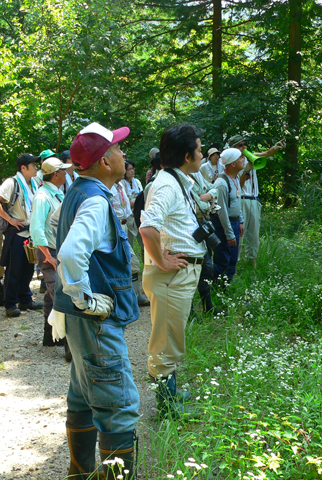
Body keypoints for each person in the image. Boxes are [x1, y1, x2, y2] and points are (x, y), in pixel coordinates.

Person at [54, 122, 140, 480]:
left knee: (82, 394)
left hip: (79, 321)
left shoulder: (76, 191)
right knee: (118, 404)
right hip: (96, 322)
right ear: (105, 161)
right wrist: (86, 299)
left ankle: (79, 473)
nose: (123, 154)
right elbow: (71, 255)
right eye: (118, 149)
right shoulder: (95, 200)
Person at [140, 122, 205, 416]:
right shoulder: (166, 185)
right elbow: (148, 227)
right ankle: (168, 407)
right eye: (200, 150)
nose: (202, 155)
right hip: (171, 275)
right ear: (187, 156)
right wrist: (162, 260)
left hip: (179, 274)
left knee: (172, 338)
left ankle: (173, 392)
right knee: (165, 344)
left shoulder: (176, 180)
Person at [0, 154, 43, 318]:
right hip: (17, 233)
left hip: (30, 232)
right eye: (33, 165)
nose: (36, 168)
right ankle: (10, 303)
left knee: (28, 268)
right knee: (14, 270)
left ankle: (25, 299)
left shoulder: (32, 182)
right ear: (23, 168)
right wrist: (10, 219)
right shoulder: (11, 182)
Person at [30, 156, 70, 350]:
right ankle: (71, 347)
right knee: (61, 295)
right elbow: (36, 229)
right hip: (50, 252)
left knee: (50, 294)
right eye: (63, 171)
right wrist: (47, 256)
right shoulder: (42, 197)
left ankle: (51, 337)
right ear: (56, 175)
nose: (66, 173)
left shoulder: (55, 193)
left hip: (56, 250)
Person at [230, 135, 285, 269]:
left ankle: (251, 261)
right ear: (233, 148)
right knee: (240, 233)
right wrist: (246, 171)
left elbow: (266, 154)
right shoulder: (231, 163)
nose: (244, 147)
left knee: (253, 233)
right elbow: (239, 186)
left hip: (254, 200)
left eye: (245, 144)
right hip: (241, 199)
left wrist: (276, 147)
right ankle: (234, 264)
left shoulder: (251, 156)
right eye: (240, 145)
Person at [112, 175, 150, 307]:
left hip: (124, 225)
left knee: (130, 262)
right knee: (129, 262)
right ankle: (128, 298)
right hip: (114, 227)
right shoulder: (107, 187)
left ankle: (134, 297)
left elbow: (126, 208)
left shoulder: (120, 186)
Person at [189, 170, 220, 315]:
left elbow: (215, 188)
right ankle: (190, 313)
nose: (201, 155)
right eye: (198, 151)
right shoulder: (183, 179)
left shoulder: (198, 175)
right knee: (190, 269)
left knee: (207, 267)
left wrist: (209, 196)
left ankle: (208, 307)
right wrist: (210, 204)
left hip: (203, 225)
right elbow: (195, 205)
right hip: (190, 229)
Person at [210, 149, 244, 281]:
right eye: (240, 158)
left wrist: (240, 220)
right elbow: (222, 211)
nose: (244, 159)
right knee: (223, 259)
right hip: (224, 225)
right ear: (233, 163)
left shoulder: (234, 178)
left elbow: (236, 201)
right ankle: (218, 290)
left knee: (233, 259)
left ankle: (226, 288)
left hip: (234, 223)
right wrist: (229, 233)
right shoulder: (222, 183)